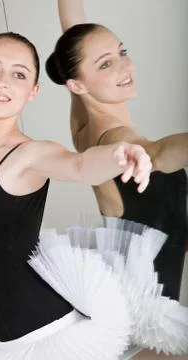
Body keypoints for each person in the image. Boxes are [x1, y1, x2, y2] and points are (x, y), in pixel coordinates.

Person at [0, 1, 158, 360]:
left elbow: (77, 166)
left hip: (48, 338)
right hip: (2, 342)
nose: (2, 81)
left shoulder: (29, 155)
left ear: (33, 91)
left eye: (19, 74)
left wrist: (120, 153)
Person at [46, 0, 188, 305]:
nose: (125, 66)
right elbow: (156, 152)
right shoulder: (120, 142)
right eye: (105, 64)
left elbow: (75, 36)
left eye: (121, 52)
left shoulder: (84, 127)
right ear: (77, 85)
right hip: (145, 317)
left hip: (128, 294)